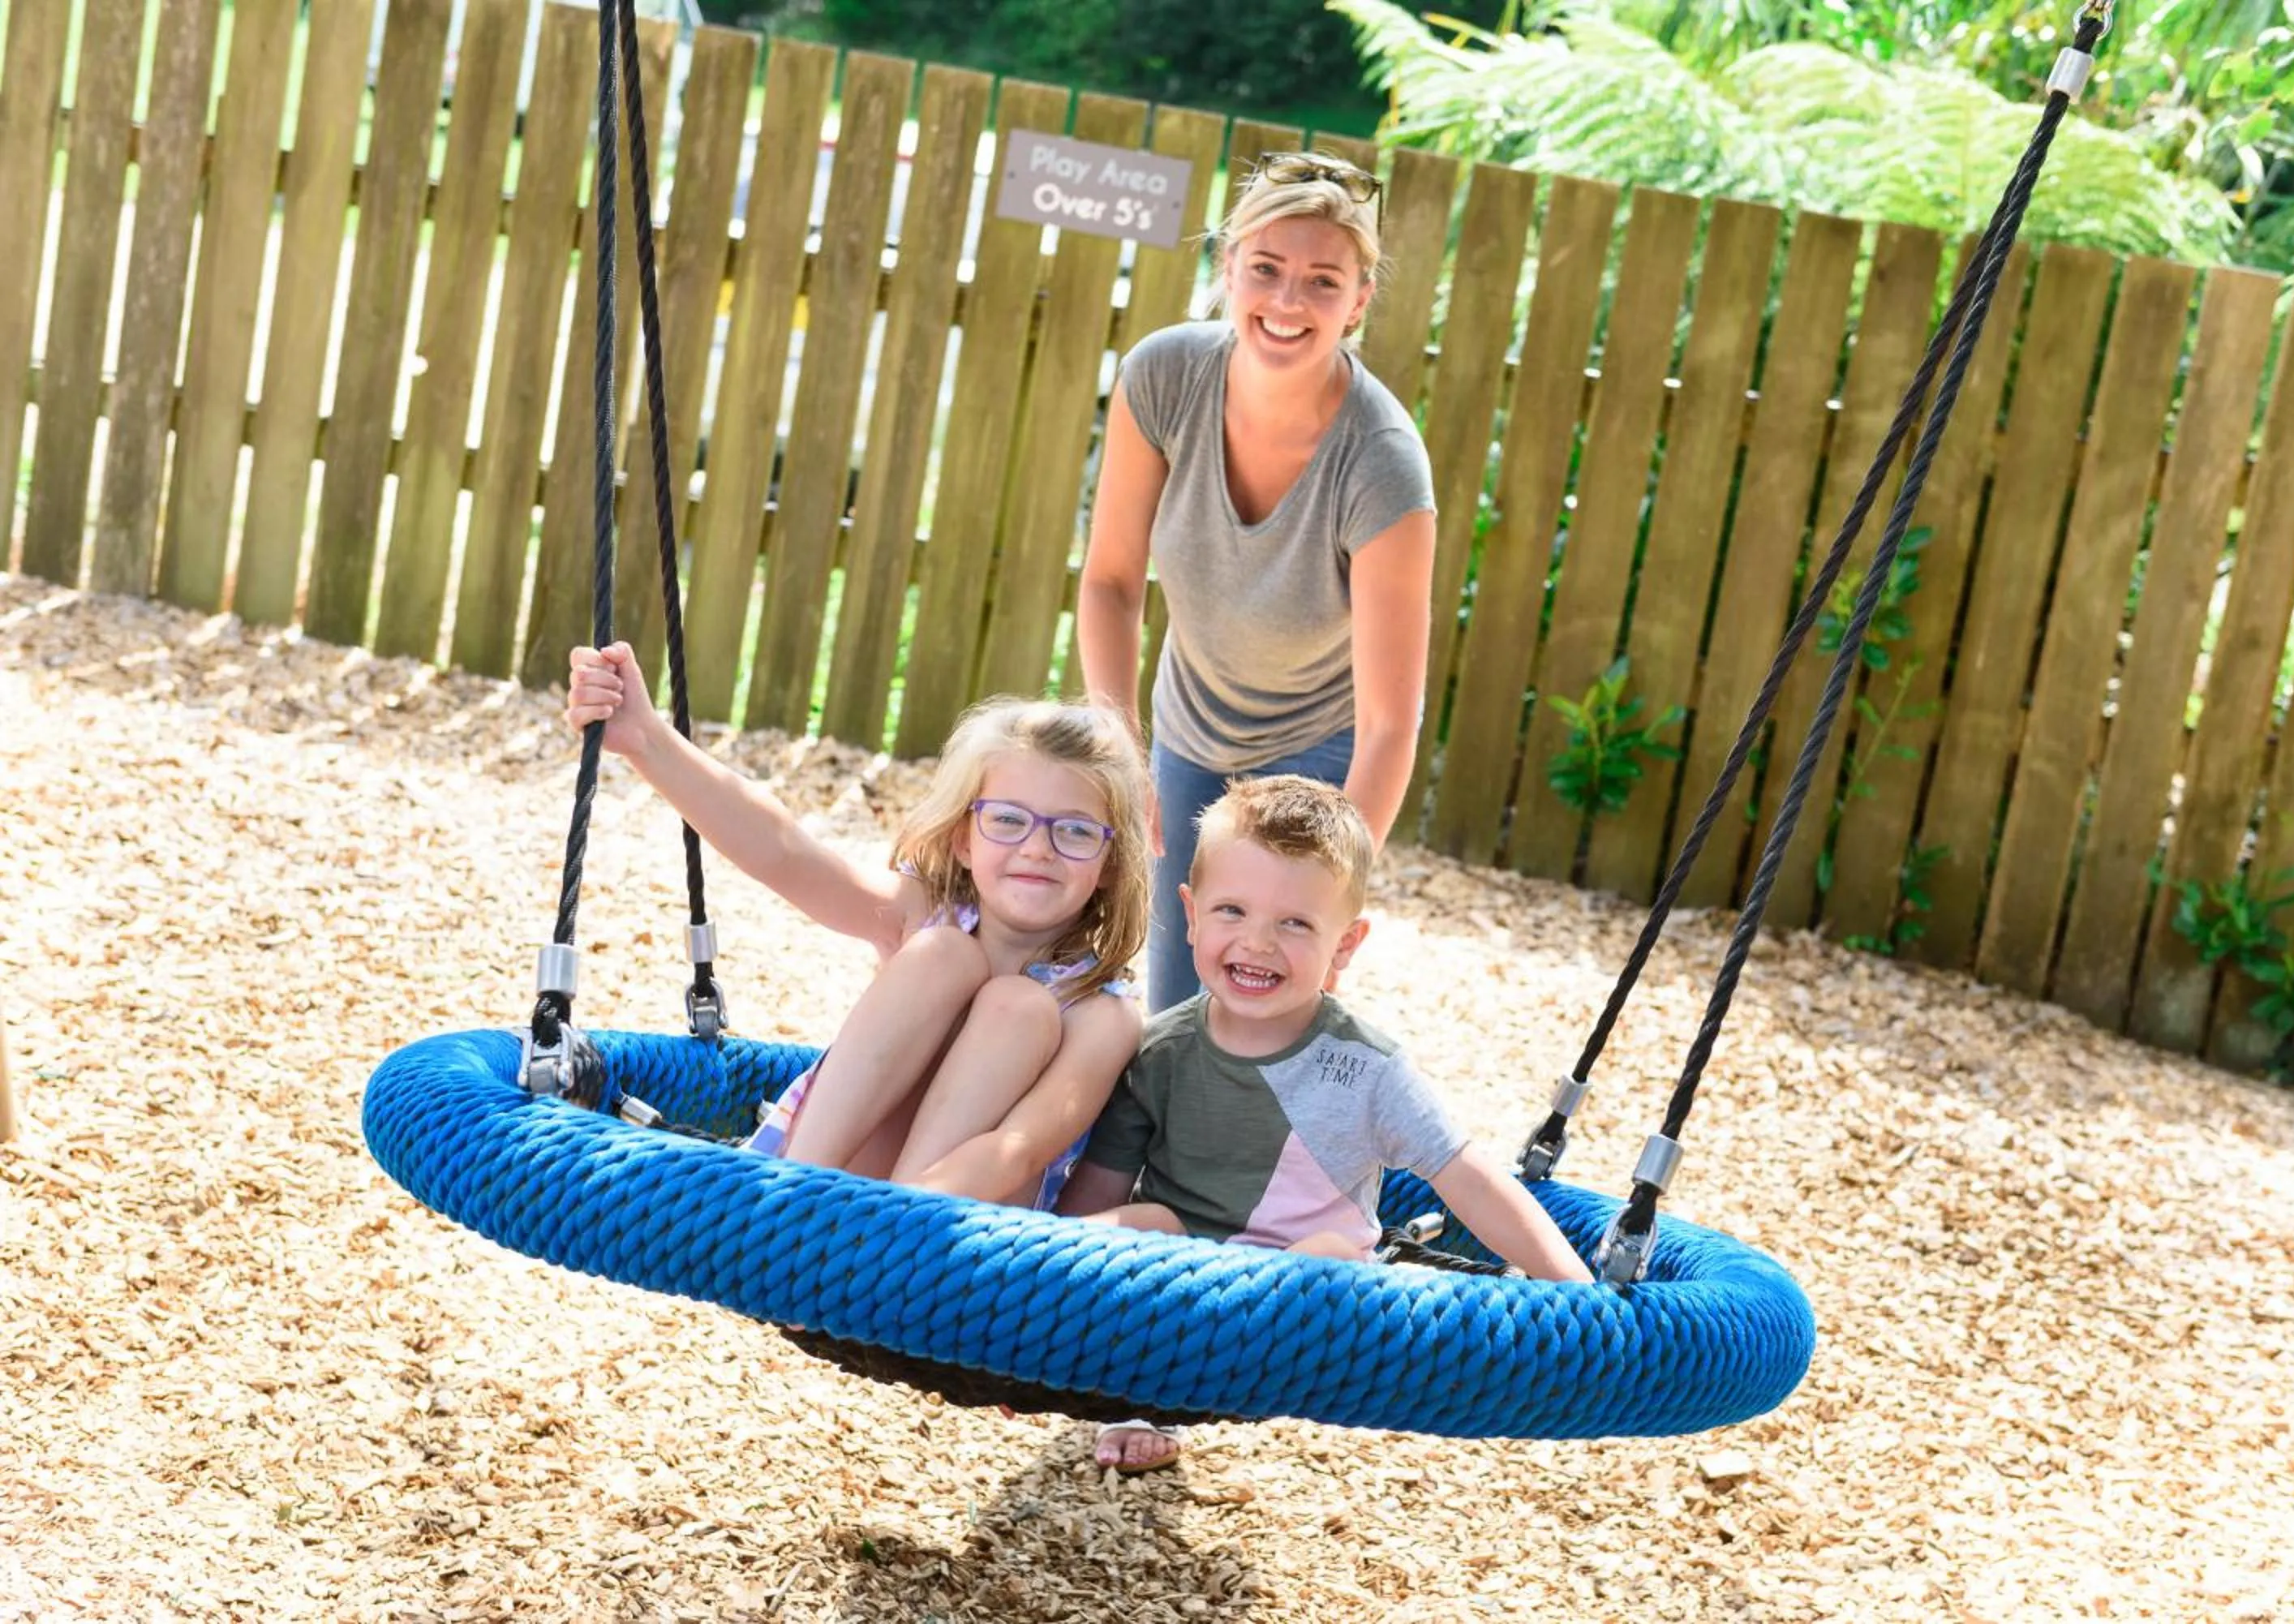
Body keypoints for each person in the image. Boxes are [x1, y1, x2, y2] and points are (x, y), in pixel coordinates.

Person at [1058, 776, 1592, 1470]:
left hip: (1306, 1299)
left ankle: (1180, 1374)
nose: (1258, 942)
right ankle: (1134, 1394)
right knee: (1132, 1228)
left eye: (1296, 923)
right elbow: (1099, 1188)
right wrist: (1049, 1291)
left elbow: (1469, 1178)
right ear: (1189, 915)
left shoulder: (1367, 1067)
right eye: (1232, 910)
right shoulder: (1158, 1051)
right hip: (1189, 1267)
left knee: (1330, 1259)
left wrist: (1578, 1295)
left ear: (1346, 944)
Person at [565, 643, 1150, 1209]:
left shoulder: (1102, 1014)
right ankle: (784, 1202)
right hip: (823, 1195)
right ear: (962, 840)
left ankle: (860, 1251)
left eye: (1074, 831)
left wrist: (888, 1235)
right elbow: (786, 851)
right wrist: (647, 741)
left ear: (1112, 864)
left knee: (1020, 1007)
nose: (1038, 848)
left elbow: (1015, 1152)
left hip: (937, 1243)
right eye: (1007, 820)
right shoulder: (922, 916)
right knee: (942, 954)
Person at [1077, 150, 1437, 1013]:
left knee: (1256, 998)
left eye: (1322, 281)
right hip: (1189, 726)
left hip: (1318, 748)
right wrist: (1122, 750)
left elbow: (1392, 723)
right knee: (1173, 1004)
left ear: (1359, 302)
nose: (1286, 301)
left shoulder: (1383, 467)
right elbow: (1111, 581)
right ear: (1226, 268)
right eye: (1266, 269)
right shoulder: (1163, 378)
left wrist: (1338, 889)